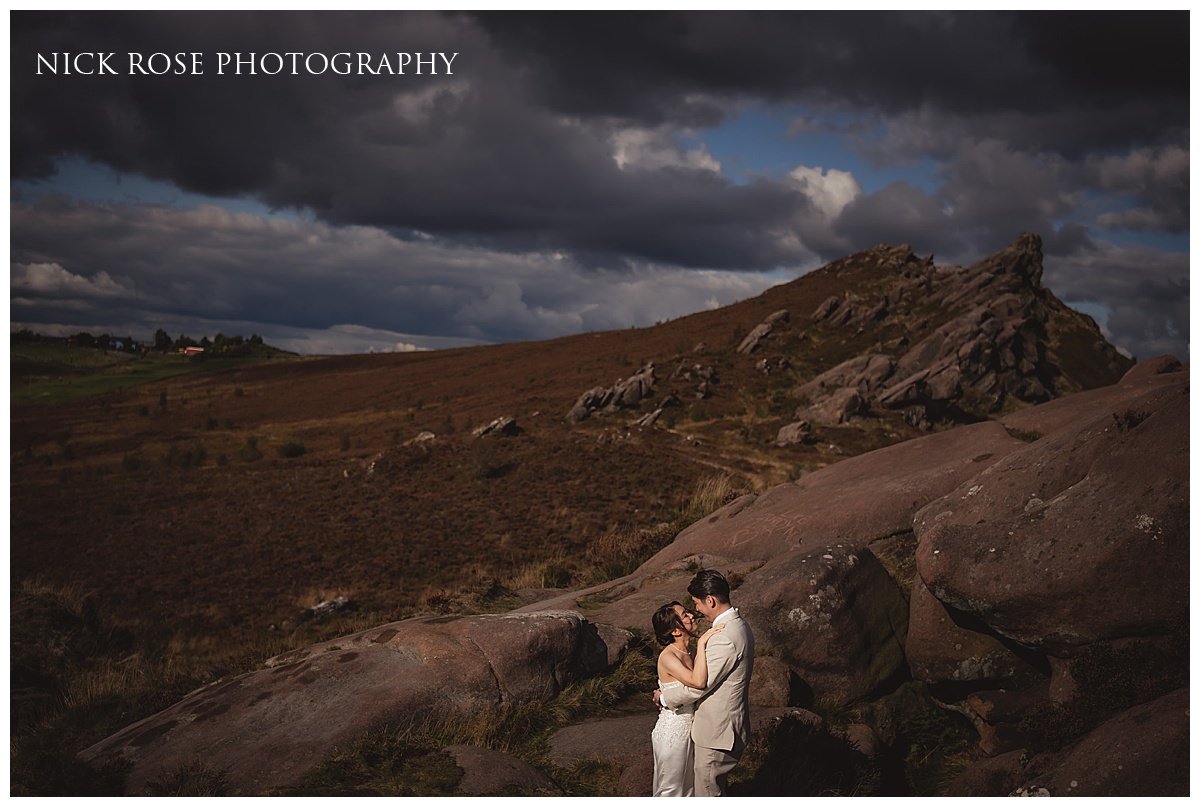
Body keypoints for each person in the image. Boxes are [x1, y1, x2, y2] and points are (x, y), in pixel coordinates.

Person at [654, 570, 755, 796]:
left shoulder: (725, 636)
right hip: (704, 729)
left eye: (696, 604)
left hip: (717, 732)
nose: (695, 611)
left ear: (710, 600)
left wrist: (664, 697)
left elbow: (700, 685)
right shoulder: (738, 626)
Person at [650, 601, 725, 797]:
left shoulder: (690, 651)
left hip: (692, 730)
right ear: (675, 631)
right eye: (685, 615)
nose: (692, 616)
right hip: (673, 732)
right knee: (672, 790)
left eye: (688, 612)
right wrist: (702, 642)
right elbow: (698, 682)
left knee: (689, 790)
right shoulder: (668, 657)